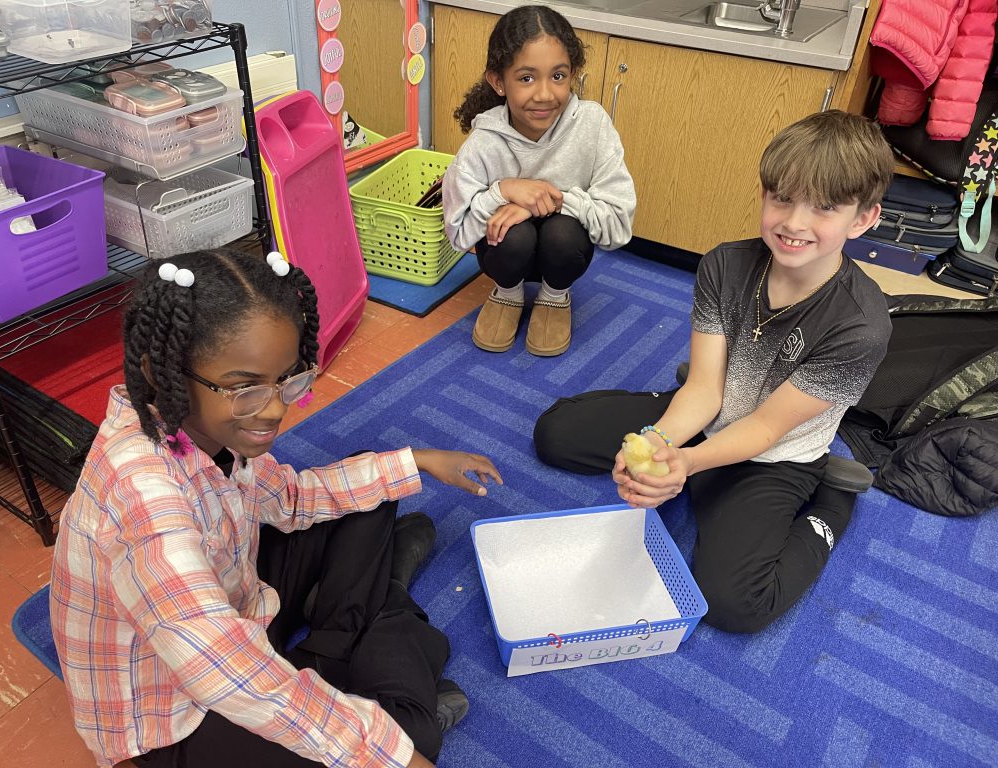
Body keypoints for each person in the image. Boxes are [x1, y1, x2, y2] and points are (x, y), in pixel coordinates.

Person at [50, 248, 503, 768]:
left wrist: (416, 460)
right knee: (406, 740)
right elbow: (222, 670)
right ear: (163, 372)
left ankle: (351, 635)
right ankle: (381, 614)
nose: (275, 408)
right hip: (176, 712)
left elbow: (289, 498)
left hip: (237, 604)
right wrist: (384, 751)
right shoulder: (144, 496)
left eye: (288, 378)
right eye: (245, 387)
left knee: (371, 485)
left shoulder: (208, 427)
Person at [533, 110, 895, 634]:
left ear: (862, 220)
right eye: (781, 199)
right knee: (554, 434)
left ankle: (833, 499)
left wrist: (684, 464)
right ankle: (698, 470)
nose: (794, 223)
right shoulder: (724, 264)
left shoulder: (861, 325)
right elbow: (704, 388)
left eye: (824, 208)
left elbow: (767, 429)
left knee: (733, 605)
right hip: (712, 415)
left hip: (777, 454)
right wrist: (659, 443)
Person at [442, 4, 636, 357]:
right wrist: (502, 191)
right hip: (509, 255)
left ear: (574, 74)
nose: (545, 94)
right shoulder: (485, 141)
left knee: (564, 234)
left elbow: (619, 226)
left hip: (562, 249)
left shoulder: (592, 125)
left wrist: (555, 200)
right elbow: (457, 233)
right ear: (499, 81)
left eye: (558, 76)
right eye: (527, 78)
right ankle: (508, 292)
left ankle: (554, 296)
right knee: (511, 236)